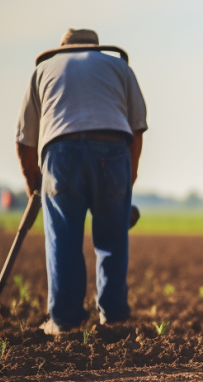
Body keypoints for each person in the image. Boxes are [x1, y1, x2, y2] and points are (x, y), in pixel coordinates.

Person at [15, 29, 147, 334]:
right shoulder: (119, 67)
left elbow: (24, 139)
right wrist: (130, 176)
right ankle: (113, 318)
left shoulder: (42, 71)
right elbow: (137, 128)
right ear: (96, 48)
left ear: (62, 49)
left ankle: (63, 322)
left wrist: (33, 181)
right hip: (113, 149)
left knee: (63, 239)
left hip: (60, 152)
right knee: (113, 239)